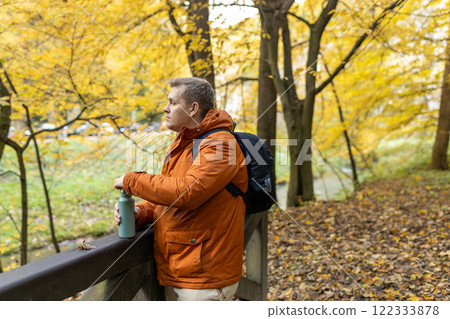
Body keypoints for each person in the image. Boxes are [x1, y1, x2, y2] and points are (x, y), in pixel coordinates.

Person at [113, 77, 248, 301]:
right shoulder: (184, 143)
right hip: (181, 269)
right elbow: (169, 195)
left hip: (205, 277)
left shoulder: (221, 144)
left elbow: (187, 192)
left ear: (193, 108)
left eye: (173, 102)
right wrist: (141, 213)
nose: (165, 108)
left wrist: (132, 180)